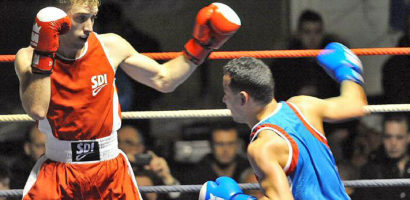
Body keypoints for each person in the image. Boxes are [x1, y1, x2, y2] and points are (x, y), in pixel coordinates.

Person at [14, 0, 241, 198]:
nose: (88, 28)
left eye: (92, 18)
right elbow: (37, 109)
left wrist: (201, 46)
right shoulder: (28, 56)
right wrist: (44, 53)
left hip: (110, 168)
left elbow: (164, 79)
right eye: (81, 18)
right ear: (58, 15)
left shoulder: (110, 46)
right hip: (59, 169)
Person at [199, 42, 367, 199]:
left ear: (243, 98)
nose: (223, 100)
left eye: (227, 94)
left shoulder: (262, 147)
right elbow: (355, 104)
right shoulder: (304, 105)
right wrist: (347, 70)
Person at [269, 10, 342, 101]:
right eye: (307, 32)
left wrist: (319, 92)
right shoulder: (284, 62)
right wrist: (297, 94)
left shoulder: (332, 60)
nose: (312, 38)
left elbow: (340, 94)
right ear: (299, 34)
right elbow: (275, 94)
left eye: (317, 32)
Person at [180, 123, 251, 199]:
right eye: (219, 144)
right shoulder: (194, 174)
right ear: (211, 145)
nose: (225, 150)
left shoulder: (250, 169)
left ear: (238, 144)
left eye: (230, 143)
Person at [355, 114, 410, 200]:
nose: (393, 143)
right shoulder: (370, 171)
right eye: (388, 137)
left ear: (408, 137)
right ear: (382, 137)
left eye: (399, 137)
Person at [118, 125, 181, 200]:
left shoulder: (152, 171)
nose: (121, 146)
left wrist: (167, 178)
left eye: (128, 143)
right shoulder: (110, 169)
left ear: (141, 147)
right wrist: (130, 183)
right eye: (118, 141)